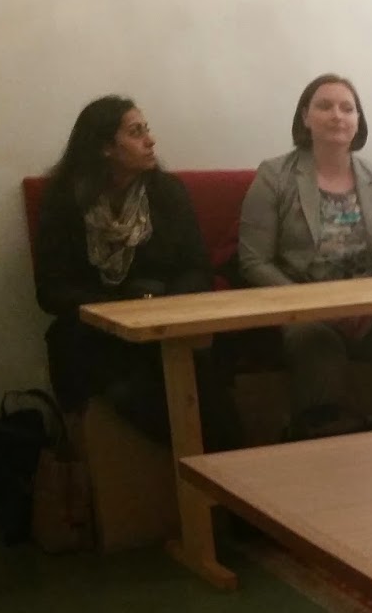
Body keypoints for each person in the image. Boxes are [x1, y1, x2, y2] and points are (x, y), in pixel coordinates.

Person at [239, 73, 372, 437]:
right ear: (305, 117)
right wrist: (316, 306)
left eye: (347, 108)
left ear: (358, 121)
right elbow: (253, 260)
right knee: (318, 352)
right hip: (304, 309)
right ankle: (323, 459)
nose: (337, 115)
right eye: (325, 106)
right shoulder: (273, 176)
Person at [34, 95, 236, 449]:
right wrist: (119, 306)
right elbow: (51, 292)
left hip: (165, 320)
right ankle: (188, 462)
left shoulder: (167, 192)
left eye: (147, 129)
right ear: (105, 148)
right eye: (136, 132)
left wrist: (160, 306)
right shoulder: (64, 201)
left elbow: (197, 268)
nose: (150, 140)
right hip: (97, 331)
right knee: (128, 382)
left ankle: (226, 464)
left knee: (201, 367)